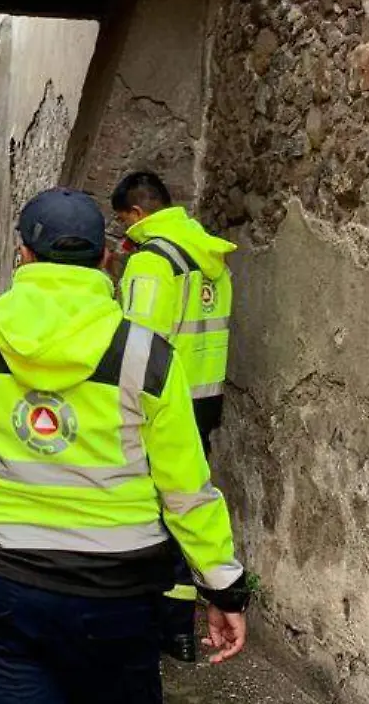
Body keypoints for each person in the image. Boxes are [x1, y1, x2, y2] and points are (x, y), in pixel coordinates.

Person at [0, 188, 250, 703]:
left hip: (9, 581)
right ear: (106, 258)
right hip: (118, 592)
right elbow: (186, 489)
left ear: (22, 253)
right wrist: (222, 587)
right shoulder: (147, 355)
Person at [110, 170, 238, 661]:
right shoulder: (211, 255)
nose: (124, 229)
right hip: (204, 398)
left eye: (124, 220)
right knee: (187, 503)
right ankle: (181, 629)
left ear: (138, 214)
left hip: (159, 402)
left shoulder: (151, 262)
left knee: (154, 511)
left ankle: (163, 624)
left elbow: (135, 343)